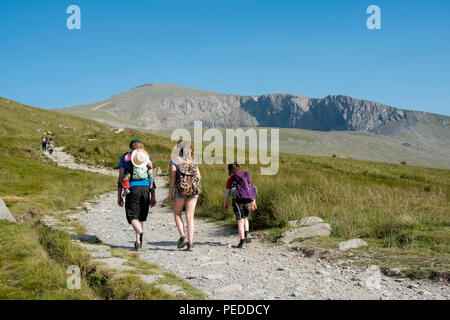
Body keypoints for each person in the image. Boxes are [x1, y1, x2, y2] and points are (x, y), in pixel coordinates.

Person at [117, 138, 156, 250]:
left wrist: (119, 195)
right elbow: (151, 178)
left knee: (132, 216)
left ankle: (140, 232)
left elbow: (121, 178)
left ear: (131, 148)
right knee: (141, 217)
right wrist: (153, 195)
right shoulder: (145, 157)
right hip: (145, 189)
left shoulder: (125, 158)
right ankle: (138, 242)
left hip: (132, 189)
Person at [169, 140, 201, 251]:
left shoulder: (175, 161)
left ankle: (182, 236)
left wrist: (171, 193)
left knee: (177, 213)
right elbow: (199, 177)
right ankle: (190, 243)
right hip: (193, 191)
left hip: (180, 190)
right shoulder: (193, 161)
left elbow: (173, 178)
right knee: (190, 216)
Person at [223, 162, 257, 249]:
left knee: (240, 221)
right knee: (245, 218)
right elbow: (252, 189)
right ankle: (247, 233)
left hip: (237, 202)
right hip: (249, 200)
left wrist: (225, 203)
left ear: (230, 170)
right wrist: (254, 202)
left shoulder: (231, 179)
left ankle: (242, 241)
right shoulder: (245, 176)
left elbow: (227, 193)